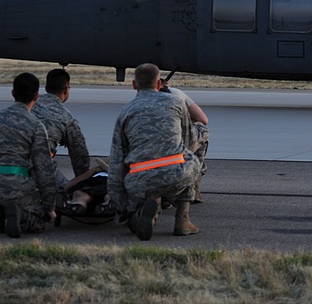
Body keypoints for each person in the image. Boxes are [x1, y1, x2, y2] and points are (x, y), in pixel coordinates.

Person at [108, 63, 204, 241]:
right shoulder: (176, 102)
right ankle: (182, 220)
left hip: (140, 181)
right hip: (176, 175)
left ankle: (144, 216)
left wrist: (121, 211)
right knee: (189, 157)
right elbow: (189, 140)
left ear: (134, 85)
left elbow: (116, 163)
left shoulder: (125, 113)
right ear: (159, 84)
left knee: (139, 168)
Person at [0, 72, 59, 238]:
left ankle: (1, 210)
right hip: (18, 184)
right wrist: (49, 207)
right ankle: (19, 214)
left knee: (7, 197)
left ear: (13, 93)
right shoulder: (36, 125)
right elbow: (44, 169)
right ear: (37, 96)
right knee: (37, 222)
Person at [32, 68, 91, 194]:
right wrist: (82, 182)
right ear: (66, 89)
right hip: (38, 168)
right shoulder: (66, 117)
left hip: (4, 168)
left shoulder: (28, 104)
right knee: (70, 191)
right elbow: (80, 156)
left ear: (47, 88)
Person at [161, 81, 209, 203]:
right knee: (203, 130)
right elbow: (203, 119)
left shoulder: (137, 102)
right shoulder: (176, 94)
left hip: (146, 153)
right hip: (178, 148)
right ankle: (193, 186)